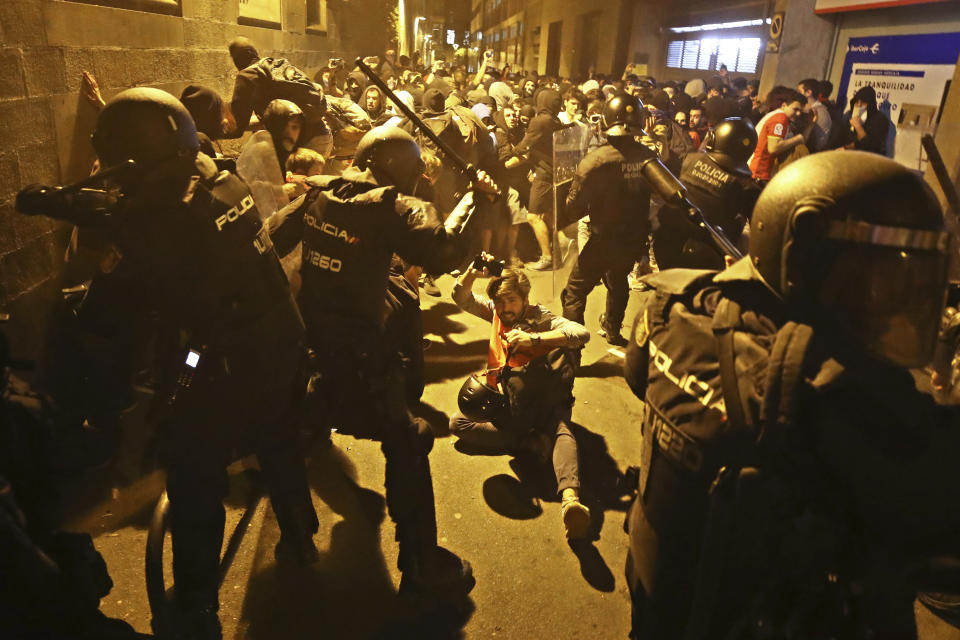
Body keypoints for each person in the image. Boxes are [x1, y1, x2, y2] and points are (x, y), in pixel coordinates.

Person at [15, 88, 319, 640]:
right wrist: (66, 200)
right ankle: (299, 532)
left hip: (221, 357)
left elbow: (109, 310)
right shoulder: (213, 173)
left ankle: (197, 605)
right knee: (277, 435)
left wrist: (91, 295)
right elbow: (137, 200)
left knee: (191, 467)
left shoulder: (156, 230)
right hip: (281, 336)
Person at [623, 149, 960, 639]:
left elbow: (638, 378)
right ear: (806, 256)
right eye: (883, 274)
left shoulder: (676, 309)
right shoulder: (841, 394)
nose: (898, 296)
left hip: (660, 597)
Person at [267, 126, 499, 602]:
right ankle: (421, 564)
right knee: (410, 441)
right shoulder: (390, 209)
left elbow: (269, 236)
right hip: (364, 362)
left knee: (281, 431)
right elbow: (443, 252)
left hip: (312, 351)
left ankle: (296, 538)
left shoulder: (321, 194)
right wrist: (479, 200)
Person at [449, 265, 592, 539]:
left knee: (562, 429)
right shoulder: (497, 313)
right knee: (457, 423)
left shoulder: (542, 318)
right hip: (513, 406)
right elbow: (461, 296)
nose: (505, 307)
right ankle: (528, 443)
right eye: (500, 301)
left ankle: (570, 501)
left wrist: (534, 338)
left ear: (525, 299)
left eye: (512, 300)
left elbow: (580, 334)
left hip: (547, 402)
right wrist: (472, 272)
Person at [559, 93, 656, 347]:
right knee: (617, 280)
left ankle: (572, 351)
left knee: (574, 293)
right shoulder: (648, 157)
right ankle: (612, 330)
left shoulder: (596, 160)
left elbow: (573, 205)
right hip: (633, 239)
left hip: (604, 238)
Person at [653, 117, 760, 270]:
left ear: (713, 139)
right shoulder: (746, 187)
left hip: (665, 248)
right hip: (709, 261)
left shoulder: (687, 160)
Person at [747, 86, 810, 183]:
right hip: (758, 172)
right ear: (784, 105)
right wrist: (798, 139)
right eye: (795, 109)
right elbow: (774, 148)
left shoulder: (779, 116)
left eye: (800, 111)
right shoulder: (780, 118)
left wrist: (811, 124)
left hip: (758, 171)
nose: (798, 114)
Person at [843, 85, 890, 155]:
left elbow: (871, 146)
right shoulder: (849, 115)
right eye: (856, 102)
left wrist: (858, 127)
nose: (859, 105)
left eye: (863, 102)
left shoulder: (880, 120)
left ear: (870, 104)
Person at [798, 78, 832, 152]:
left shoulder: (815, 111)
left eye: (800, 92)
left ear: (809, 92)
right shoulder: (821, 109)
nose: (797, 95)